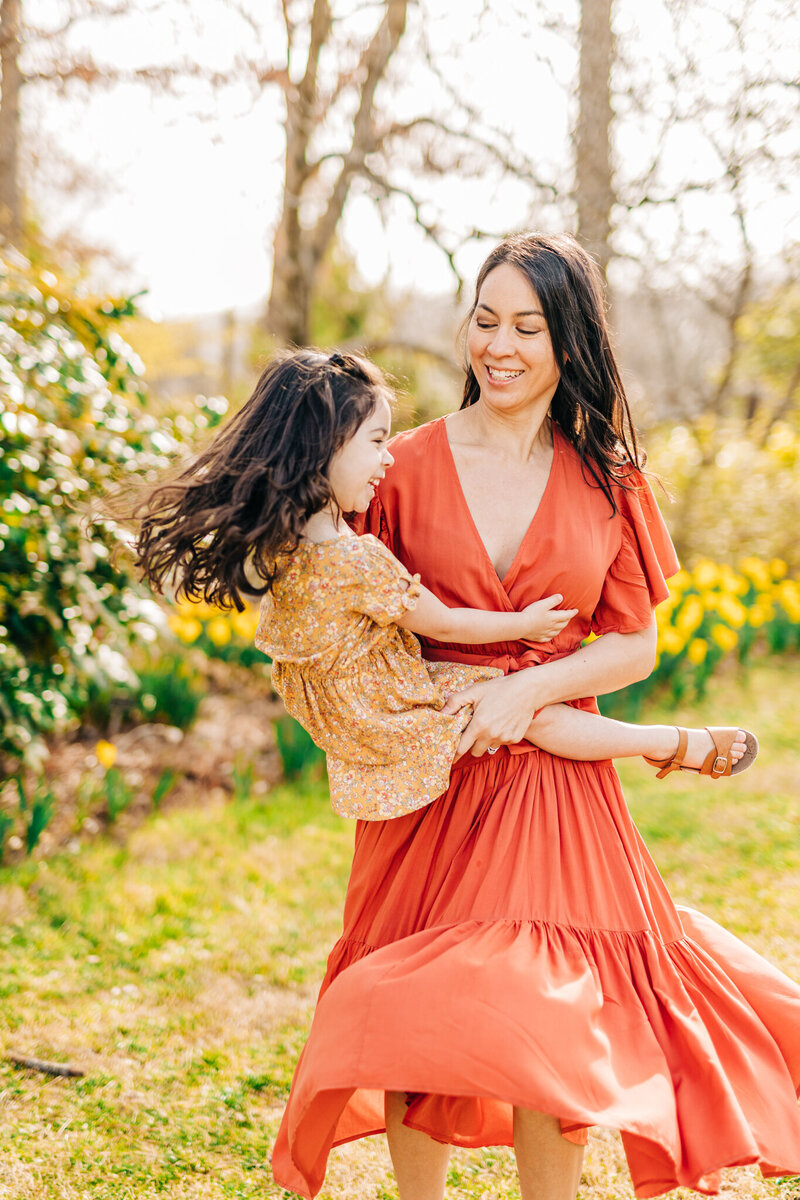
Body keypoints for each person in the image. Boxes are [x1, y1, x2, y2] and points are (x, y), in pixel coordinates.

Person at [266, 234, 800, 1200]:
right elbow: (342, 597)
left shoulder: (608, 477)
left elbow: (632, 643)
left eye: (527, 325)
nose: (499, 346)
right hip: (432, 776)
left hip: (558, 780)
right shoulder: (402, 466)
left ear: (570, 341)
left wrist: (526, 690)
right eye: (484, 319)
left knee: (556, 1025)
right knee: (415, 1019)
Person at [134, 348, 755, 824]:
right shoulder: (359, 557)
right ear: (322, 447)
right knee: (531, 711)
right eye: (374, 442)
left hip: (361, 726)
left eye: (525, 327)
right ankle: (669, 743)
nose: (387, 458)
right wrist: (523, 627)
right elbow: (445, 623)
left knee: (526, 703)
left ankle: (674, 743)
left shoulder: (283, 545)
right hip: (401, 708)